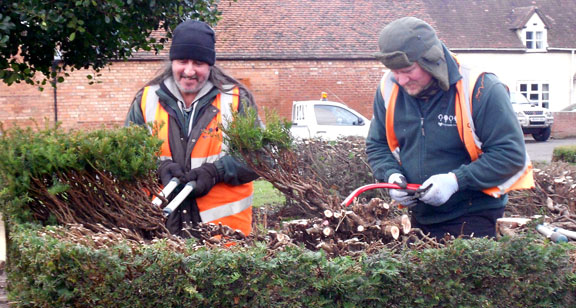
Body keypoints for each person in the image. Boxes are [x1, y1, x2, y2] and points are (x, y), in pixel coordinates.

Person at [367, 17, 534, 240]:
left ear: (431, 60)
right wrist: (391, 175)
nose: (400, 79)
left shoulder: (481, 88)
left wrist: (456, 181)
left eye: (407, 70)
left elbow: (510, 155)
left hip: (475, 216)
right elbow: (377, 145)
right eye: (394, 71)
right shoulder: (389, 87)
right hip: (419, 218)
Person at [125, 20, 259, 237]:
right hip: (159, 233)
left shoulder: (236, 100)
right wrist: (159, 168)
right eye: (182, 61)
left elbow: (259, 158)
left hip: (223, 238)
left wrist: (216, 172)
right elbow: (126, 156)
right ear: (172, 62)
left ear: (210, 65)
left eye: (198, 62)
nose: (189, 71)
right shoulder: (146, 99)